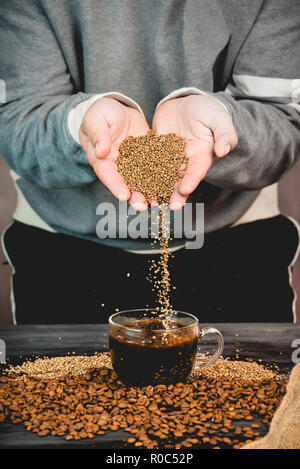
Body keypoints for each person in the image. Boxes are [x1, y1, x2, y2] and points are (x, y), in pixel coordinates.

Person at [0, 0, 299, 324]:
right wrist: (79, 124)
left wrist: (224, 121)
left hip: (237, 243)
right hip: (62, 250)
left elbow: (283, 125)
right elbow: (17, 122)